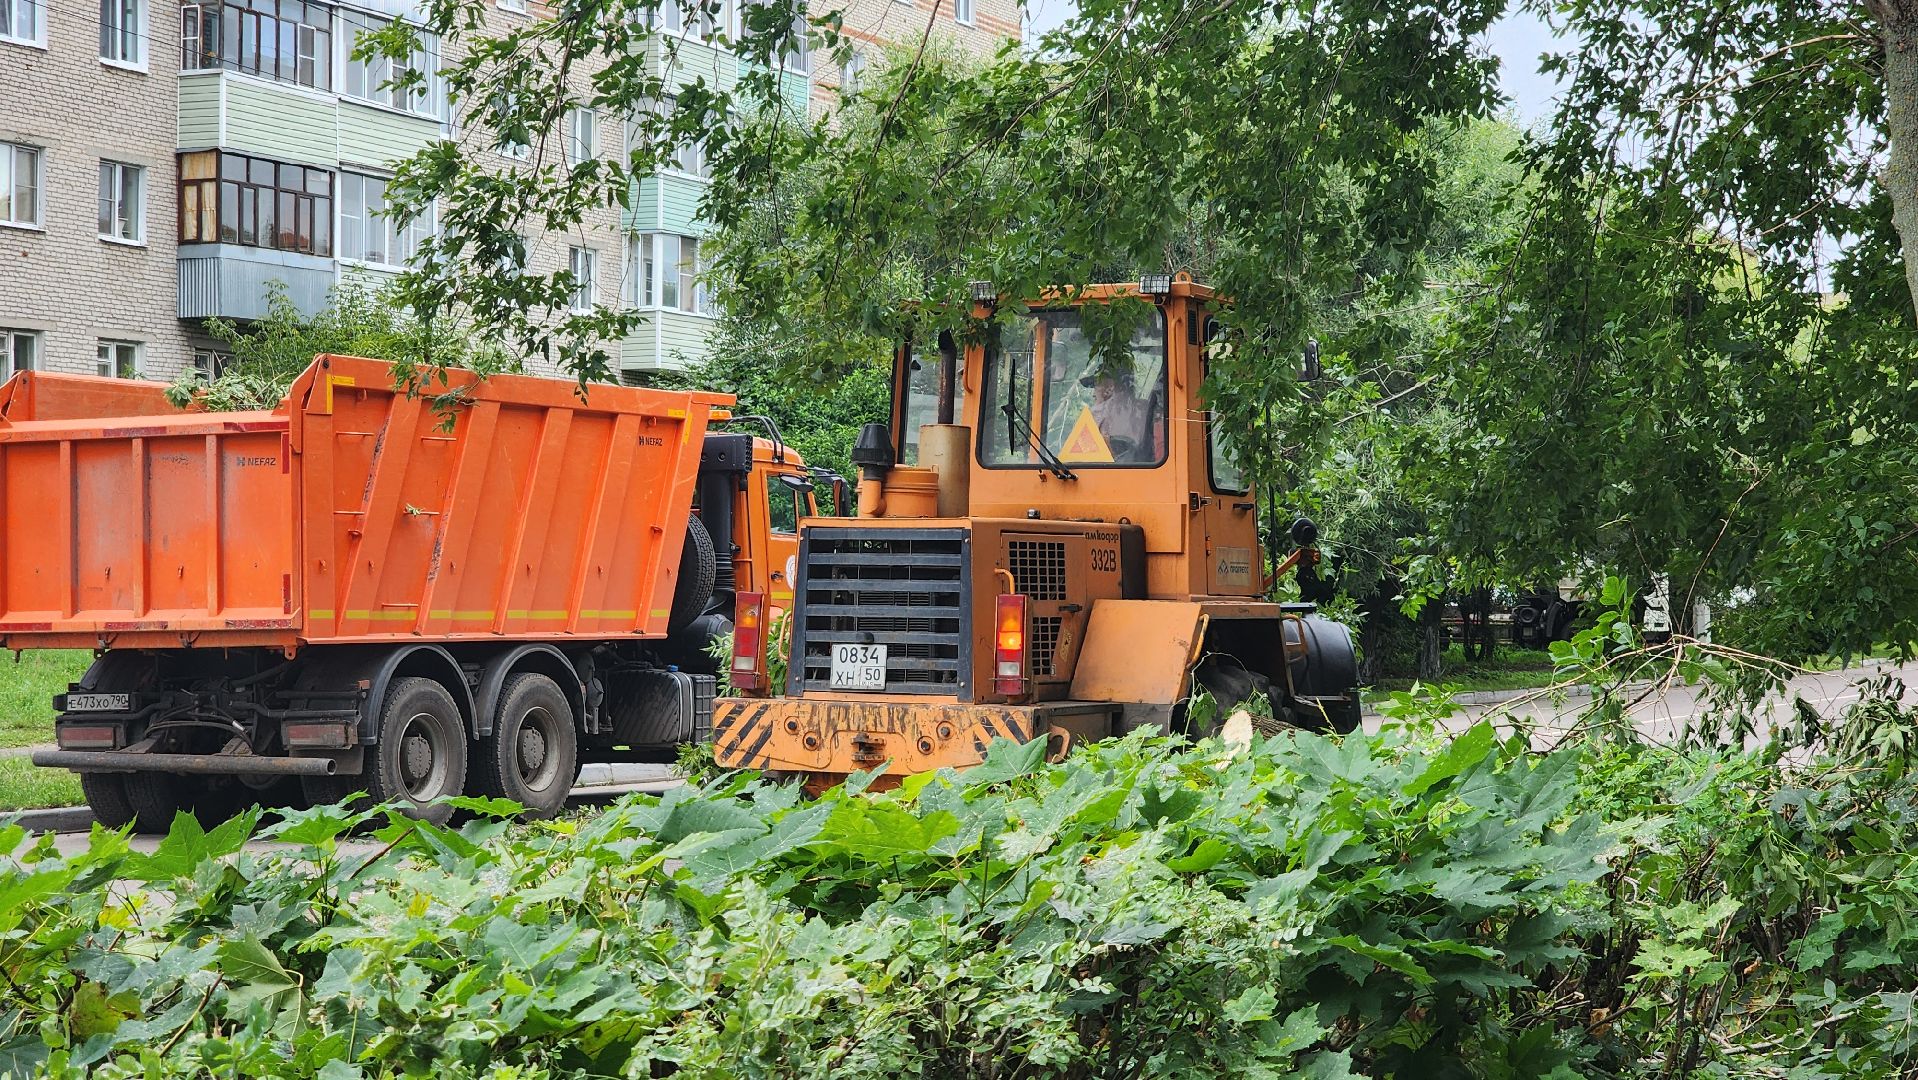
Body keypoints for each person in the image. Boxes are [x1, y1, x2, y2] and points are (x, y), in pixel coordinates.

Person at [1089, 369, 1156, 462]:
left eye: (1096, 386)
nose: (1093, 393)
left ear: (1110, 387)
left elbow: (1089, 448)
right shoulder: (1146, 407)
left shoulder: (1100, 412)